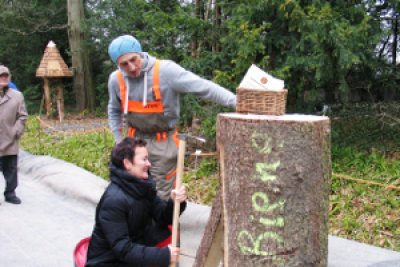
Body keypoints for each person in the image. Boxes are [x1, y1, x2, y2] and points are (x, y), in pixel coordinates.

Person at [107, 34, 236, 200]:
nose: (131, 67)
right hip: (134, 143)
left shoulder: (165, 71)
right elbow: (114, 110)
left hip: (163, 144)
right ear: (118, 64)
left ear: (140, 53)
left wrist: (236, 102)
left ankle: (164, 226)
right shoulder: (115, 80)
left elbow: (204, 87)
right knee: (132, 191)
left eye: (134, 59)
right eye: (124, 64)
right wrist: (119, 141)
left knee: (162, 195)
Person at [85, 137, 187, 267]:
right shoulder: (114, 201)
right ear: (127, 164)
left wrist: (175, 202)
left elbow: (163, 217)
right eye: (144, 159)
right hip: (109, 261)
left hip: (133, 249)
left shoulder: (142, 187)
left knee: (167, 229)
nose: (149, 164)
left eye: (148, 159)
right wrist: (163, 255)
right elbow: (122, 249)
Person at [0, 65, 28, 204]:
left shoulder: (17, 96)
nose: (4, 78)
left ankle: (10, 193)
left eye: (6, 75)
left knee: (10, 169)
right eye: (1, 76)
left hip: (9, 138)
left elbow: (22, 116)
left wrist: (15, 131)